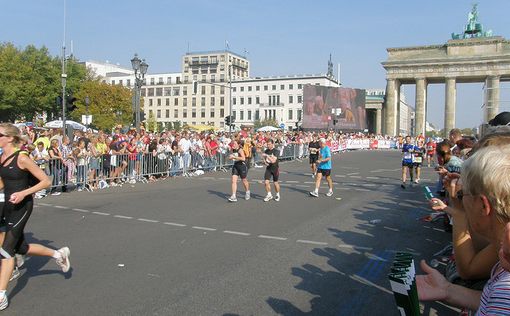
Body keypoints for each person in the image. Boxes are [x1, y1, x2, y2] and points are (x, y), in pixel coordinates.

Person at [417, 145, 510, 314]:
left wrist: (458, 213)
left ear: (483, 205)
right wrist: (447, 290)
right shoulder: (505, 257)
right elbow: (489, 299)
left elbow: (469, 270)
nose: (460, 199)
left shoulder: (505, 289)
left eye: (462, 194)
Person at [0, 123, 70, 310]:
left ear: (10, 138)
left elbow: (47, 181)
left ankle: (1, 295)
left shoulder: (22, 158)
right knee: (21, 247)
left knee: (6, 250)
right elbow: (3, 181)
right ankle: (58, 254)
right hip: (8, 205)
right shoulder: (3, 157)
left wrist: (24, 193)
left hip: (22, 206)